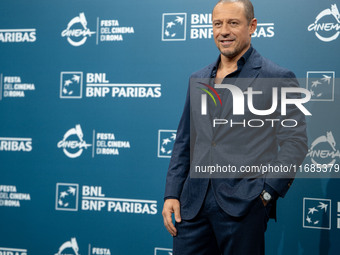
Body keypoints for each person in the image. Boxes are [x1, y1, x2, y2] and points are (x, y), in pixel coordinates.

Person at [162, 0, 308, 254]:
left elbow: (295, 142)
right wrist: (172, 194)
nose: (224, 31)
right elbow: (184, 141)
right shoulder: (198, 78)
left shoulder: (276, 77)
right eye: (217, 24)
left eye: (233, 23)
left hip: (244, 206)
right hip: (192, 207)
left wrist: (266, 194)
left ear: (252, 26)